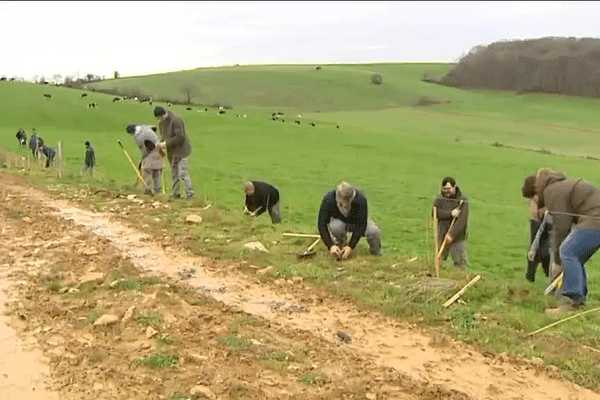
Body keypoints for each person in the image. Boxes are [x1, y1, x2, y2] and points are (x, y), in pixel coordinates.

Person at [525, 167, 600, 315]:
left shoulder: (551, 192)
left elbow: (561, 227)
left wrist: (557, 263)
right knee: (575, 254)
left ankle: (572, 303)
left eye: (531, 202)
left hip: (595, 217)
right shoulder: (559, 186)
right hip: (594, 217)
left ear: (535, 194)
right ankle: (579, 300)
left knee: (568, 250)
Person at [317, 181, 382, 260]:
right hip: (339, 221)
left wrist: (351, 246)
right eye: (341, 203)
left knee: (373, 231)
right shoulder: (328, 199)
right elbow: (321, 223)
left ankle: (376, 254)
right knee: (336, 226)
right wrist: (330, 245)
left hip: (356, 222)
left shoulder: (361, 199)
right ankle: (339, 245)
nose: (345, 205)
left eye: (348, 203)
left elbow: (361, 224)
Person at [154, 106, 193, 200]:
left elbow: (180, 137)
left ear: (165, 114)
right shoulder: (161, 123)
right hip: (172, 152)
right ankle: (176, 194)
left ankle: (189, 195)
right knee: (174, 173)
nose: (160, 119)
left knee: (183, 174)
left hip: (182, 151)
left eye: (161, 117)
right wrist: (160, 142)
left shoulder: (176, 120)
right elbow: (164, 136)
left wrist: (166, 143)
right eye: (158, 118)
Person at [433, 177, 469, 268]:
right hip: (442, 235)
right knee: (440, 262)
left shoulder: (462, 200)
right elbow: (434, 213)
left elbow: (462, 221)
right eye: (444, 189)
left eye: (449, 189)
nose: (446, 191)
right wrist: (450, 213)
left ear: (454, 187)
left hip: (457, 239)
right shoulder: (439, 199)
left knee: (459, 264)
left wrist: (451, 235)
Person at [521, 174, 551, 282]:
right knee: (534, 250)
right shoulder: (534, 197)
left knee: (545, 252)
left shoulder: (548, 194)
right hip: (537, 222)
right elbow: (534, 214)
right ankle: (530, 277)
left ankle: (549, 275)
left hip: (549, 223)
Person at [126, 124, 165, 195]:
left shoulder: (138, 137)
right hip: (159, 151)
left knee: (148, 171)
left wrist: (142, 160)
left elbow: (144, 150)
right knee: (157, 172)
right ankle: (157, 191)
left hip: (150, 153)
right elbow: (154, 127)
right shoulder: (145, 127)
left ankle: (147, 189)